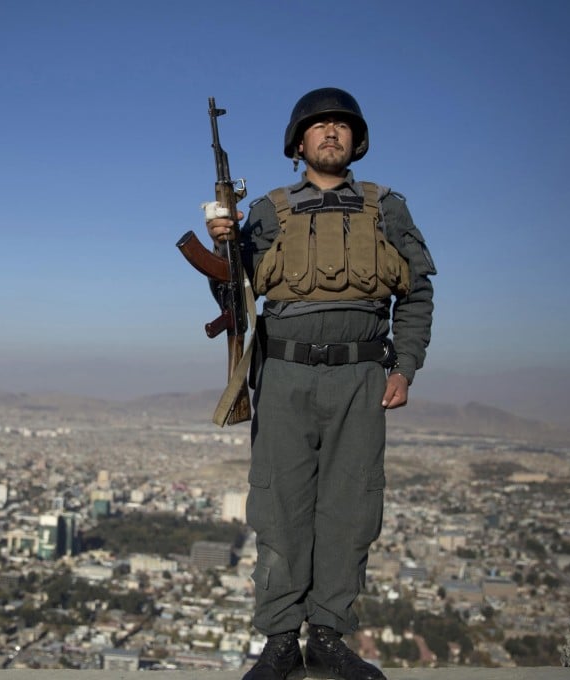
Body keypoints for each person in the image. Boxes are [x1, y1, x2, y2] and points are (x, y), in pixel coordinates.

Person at [204, 88, 436, 680]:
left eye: (341, 124)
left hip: (362, 375)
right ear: (298, 143)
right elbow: (233, 291)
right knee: (279, 507)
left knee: (351, 509)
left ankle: (328, 637)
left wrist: (405, 367)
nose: (331, 132)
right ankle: (281, 641)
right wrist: (224, 242)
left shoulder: (387, 208)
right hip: (284, 374)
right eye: (319, 125)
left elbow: (417, 294)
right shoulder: (268, 210)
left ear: (357, 140)